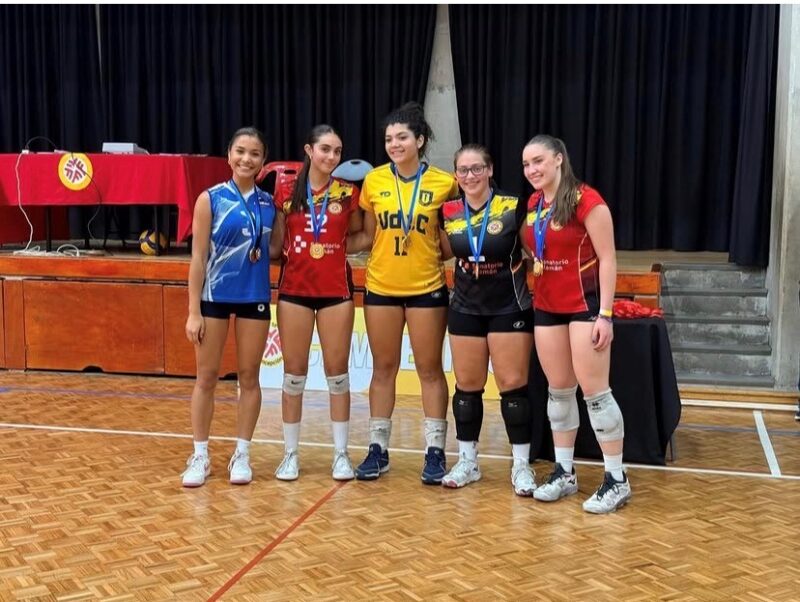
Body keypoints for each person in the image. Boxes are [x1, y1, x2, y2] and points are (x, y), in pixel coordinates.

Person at [348, 102, 459, 484]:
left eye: (402, 137)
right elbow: (367, 235)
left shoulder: (445, 183)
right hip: (381, 286)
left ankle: (435, 451)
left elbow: (450, 240)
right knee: (383, 369)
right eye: (388, 139)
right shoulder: (374, 181)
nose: (394, 144)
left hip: (427, 287)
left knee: (430, 369)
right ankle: (378, 449)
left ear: (420, 140)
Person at [520, 134, 631, 513]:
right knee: (559, 394)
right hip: (547, 308)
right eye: (526, 164)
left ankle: (616, 479)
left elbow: (608, 259)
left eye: (538, 161)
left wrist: (606, 315)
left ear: (558, 159)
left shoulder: (588, 201)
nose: (531, 170)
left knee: (596, 396)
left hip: (585, 308)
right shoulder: (535, 204)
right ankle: (564, 473)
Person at [182, 126, 278, 488]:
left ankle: (242, 453)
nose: (246, 159)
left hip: (254, 296)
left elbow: (275, 249)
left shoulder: (269, 204)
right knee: (206, 377)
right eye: (240, 151)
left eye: (254, 154)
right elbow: (197, 258)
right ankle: (200, 455)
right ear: (229, 154)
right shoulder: (210, 199)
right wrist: (193, 311)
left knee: (249, 377)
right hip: (214, 297)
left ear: (263, 161)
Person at [439, 144, 537, 495]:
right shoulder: (448, 211)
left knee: (513, 388)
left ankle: (521, 465)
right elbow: (441, 252)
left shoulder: (512, 206)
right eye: (463, 170)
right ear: (456, 175)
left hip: (509, 307)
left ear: (490, 169)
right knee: (466, 388)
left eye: (477, 168)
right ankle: (468, 461)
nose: (470, 176)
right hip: (465, 307)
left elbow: (535, 248)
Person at [271, 124, 362, 481]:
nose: (332, 156)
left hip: (335, 293)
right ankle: (290, 454)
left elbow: (361, 235)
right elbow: (278, 243)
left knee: (338, 376)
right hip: (294, 290)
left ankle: (341, 455)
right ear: (309, 150)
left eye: (337, 151)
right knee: (293, 376)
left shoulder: (348, 192)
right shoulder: (285, 189)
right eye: (325, 149)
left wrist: (334, 248)